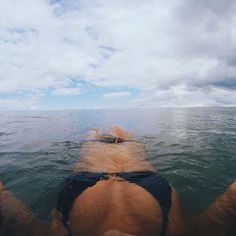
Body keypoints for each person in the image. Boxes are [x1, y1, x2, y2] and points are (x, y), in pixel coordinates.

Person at [0, 125, 235, 236]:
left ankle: (95, 131)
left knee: (92, 140)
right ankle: (114, 135)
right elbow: (225, 209)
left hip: (87, 176)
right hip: (143, 178)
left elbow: (9, 208)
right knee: (127, 142)